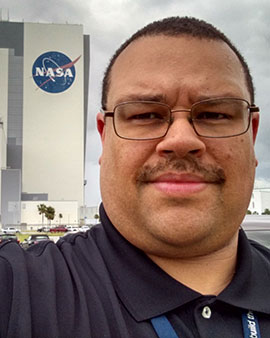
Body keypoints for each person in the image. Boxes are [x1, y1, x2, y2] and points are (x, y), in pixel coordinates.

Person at [0, 16, 268, 338]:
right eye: (145, 115)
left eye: (214, 114)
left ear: (252, 137)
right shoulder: (17, 288)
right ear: (104, 137)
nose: (181, 140)